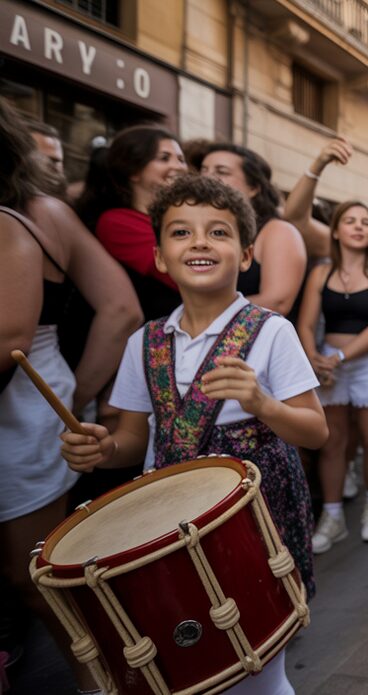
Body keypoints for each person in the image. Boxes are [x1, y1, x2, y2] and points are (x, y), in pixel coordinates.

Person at [60, 175, 327, 693]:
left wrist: (261, 403)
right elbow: (135, 439)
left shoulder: (271, 330)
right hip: (167, 514)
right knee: (190, 647)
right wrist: (105, 448)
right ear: (160, 257)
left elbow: (316, 432)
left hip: (252, 513)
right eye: (181, 233)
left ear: (247, 255)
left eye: (218, 233)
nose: (200, 242)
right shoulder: (145, 341)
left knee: (259, 653)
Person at [0, 99, 140, 694]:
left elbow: (11, 338)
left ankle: (102, 681)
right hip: (41, 405)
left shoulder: (18, 219)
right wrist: (72, 395)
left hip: (21, 413)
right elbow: (122, 307)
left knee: (35, 575)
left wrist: (69, 401)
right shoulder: (51, 211)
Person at [298, 201, 368, 550]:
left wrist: (338, 357)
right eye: (349, 221)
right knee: (332, 442)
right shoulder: (320, 273)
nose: (358, 227)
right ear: (337, 230)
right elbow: (307, 323)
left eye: (366, 222)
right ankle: (333, 516)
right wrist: (313, 357)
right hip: (328, 363)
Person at [76, 125, 188, 321]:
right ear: (133, 171)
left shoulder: (178, 217)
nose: (178, 167)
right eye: (164, 158)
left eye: (181, 159)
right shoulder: (116, 223)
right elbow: (181, 275)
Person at [200, 143, 307, 316]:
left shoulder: (278, 231)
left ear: (253, 188)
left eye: (222, 171)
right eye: (204, 170)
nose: (207, 177)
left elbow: (277, 303)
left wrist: (202, 312)